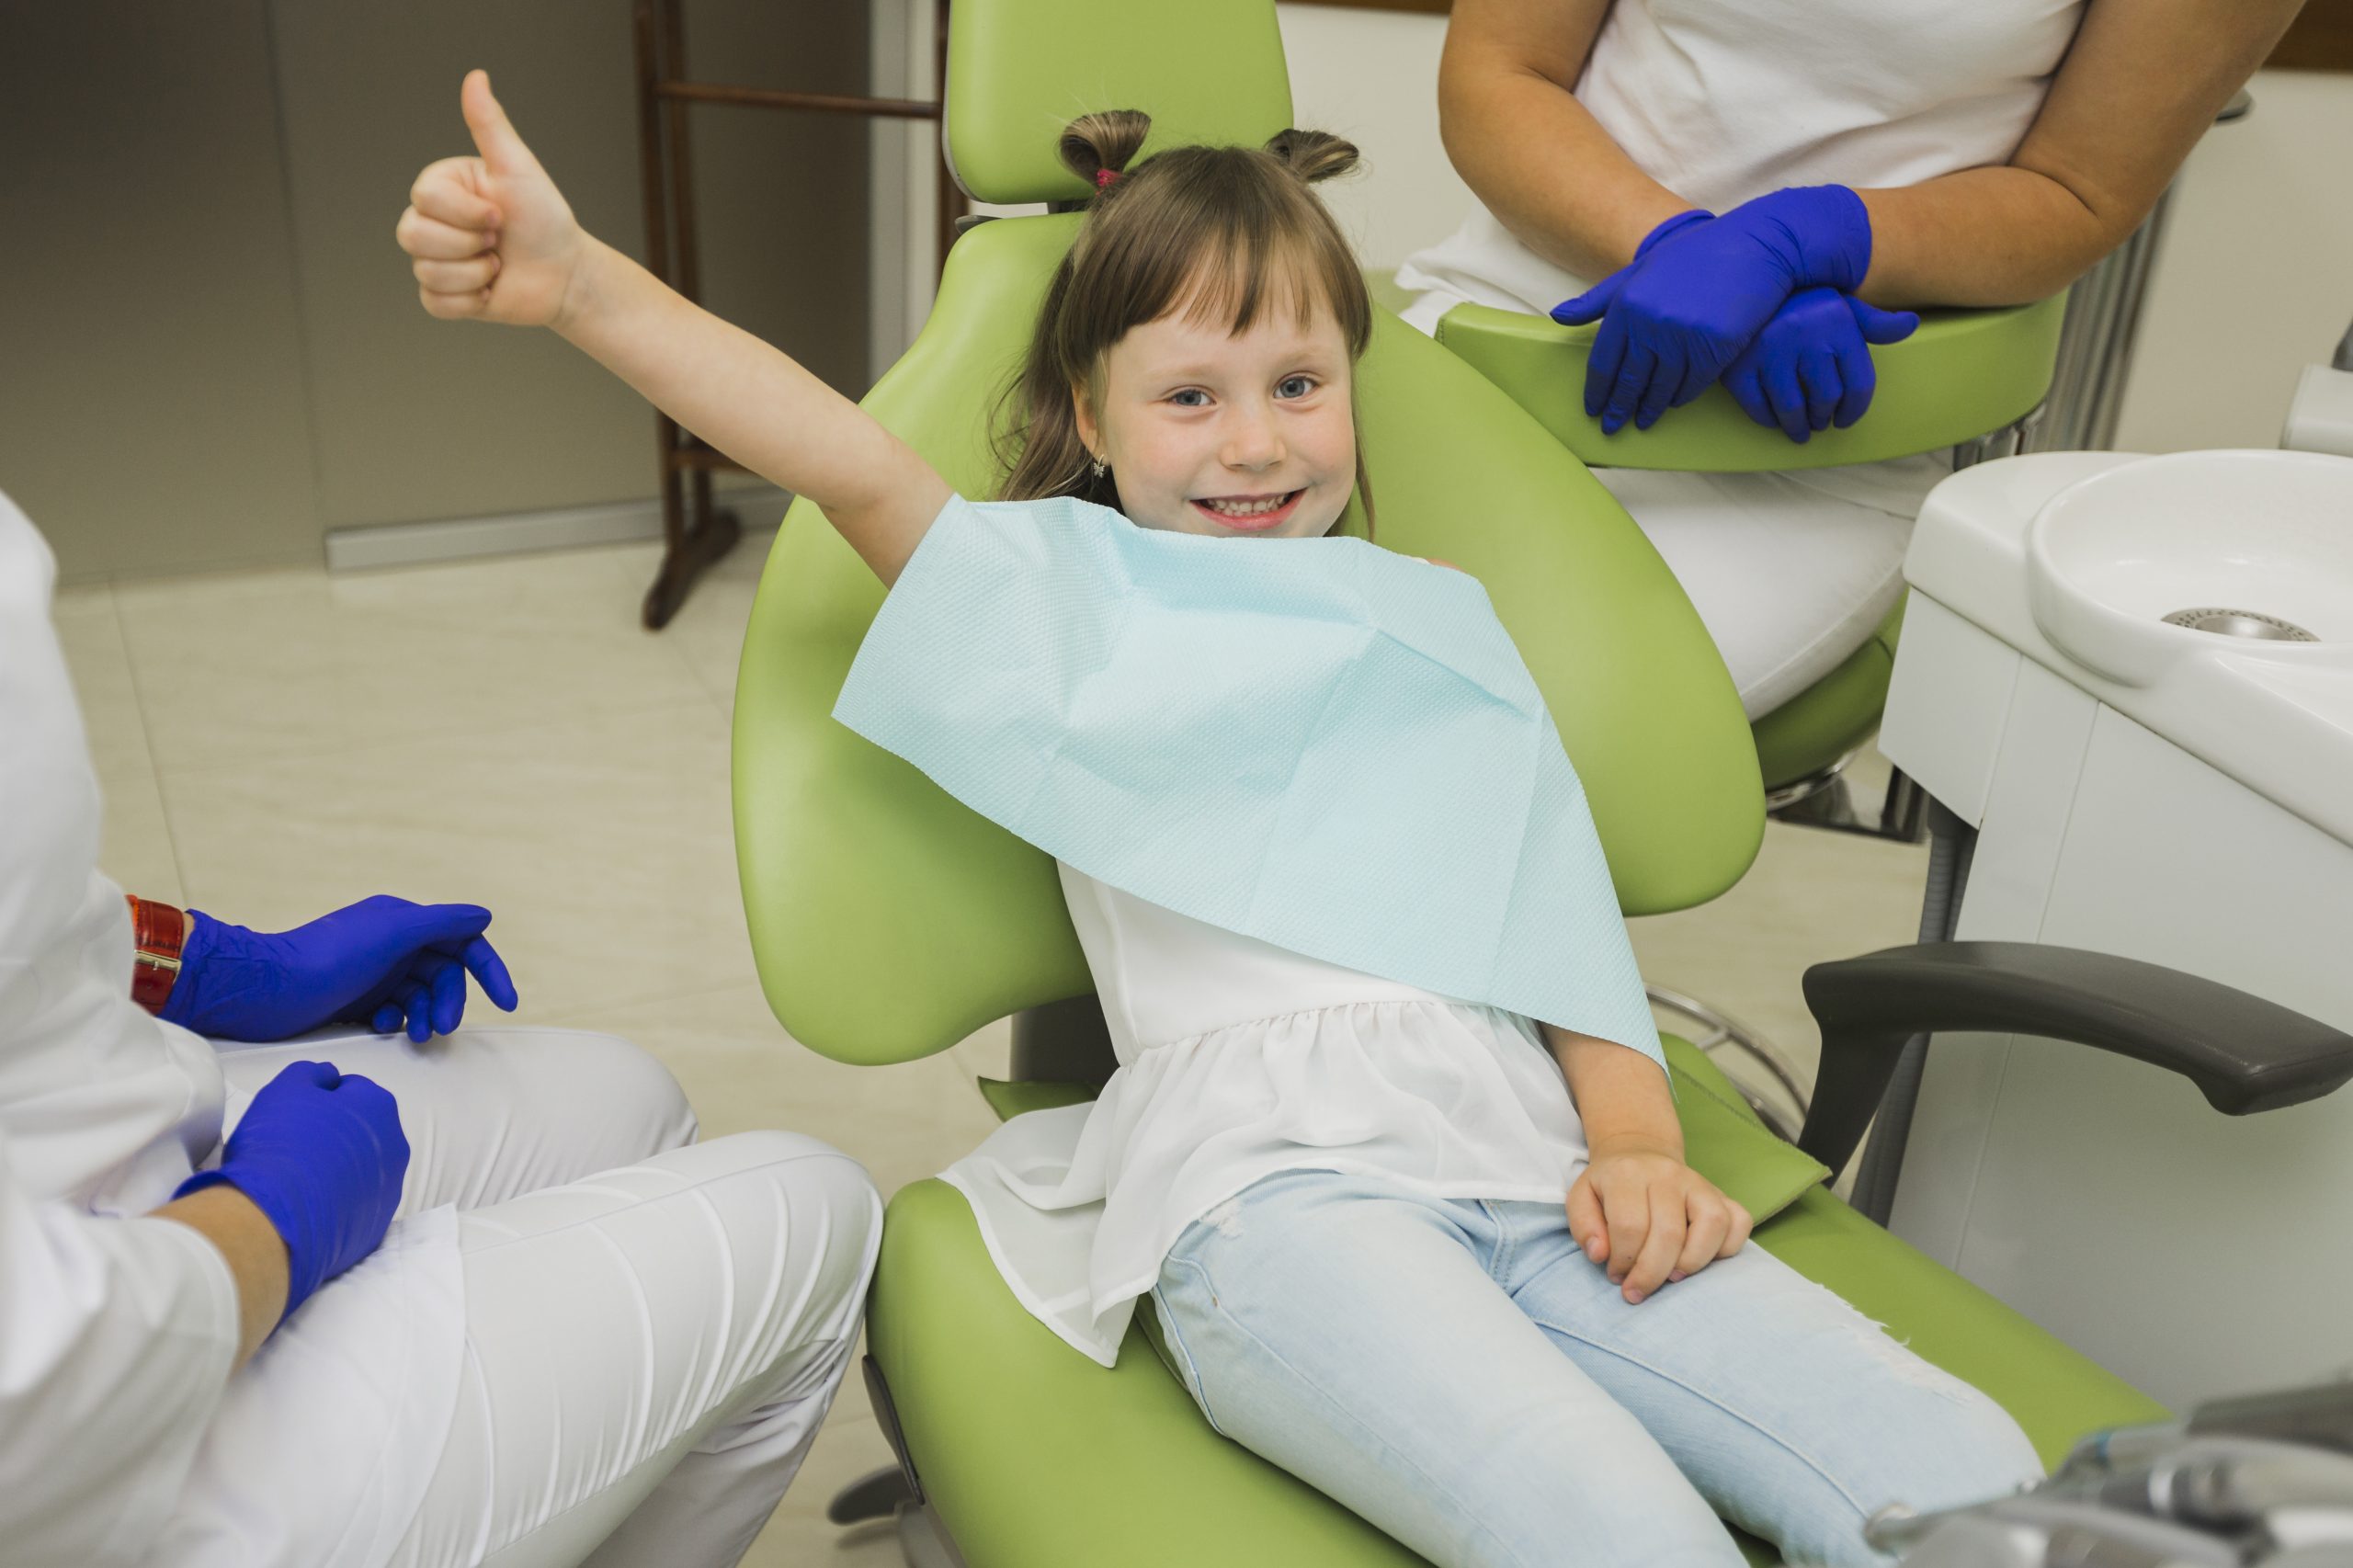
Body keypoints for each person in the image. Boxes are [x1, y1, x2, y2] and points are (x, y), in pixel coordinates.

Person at [394, 73, 2037, 1566]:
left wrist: (1637, 1145)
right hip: (1277, 1200)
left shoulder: (1438, 614)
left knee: (1963, 1469)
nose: (1254, 440)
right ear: (1095, 428)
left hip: (1533, 1161)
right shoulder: (1058, 596)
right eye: (1189, 397)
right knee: (1612, 1533)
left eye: (1299, 382)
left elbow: (1553, 920)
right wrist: (581, 287)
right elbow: (840, 457)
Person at [0, 482, 881, 1568]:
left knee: (635, 1104)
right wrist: (274, 1218)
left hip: (82, 1140)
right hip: (108, 1458)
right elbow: (36, 1387)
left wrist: (209, 965)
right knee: (816, 1216)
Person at [1395, 0, 2304, 720]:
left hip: (1811, 436)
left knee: (1488, 732)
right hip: (1512, 334)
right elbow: (1500, 72)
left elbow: (2078, 191)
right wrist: (1673, 247)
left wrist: (1811, 238)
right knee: (1296, 659)